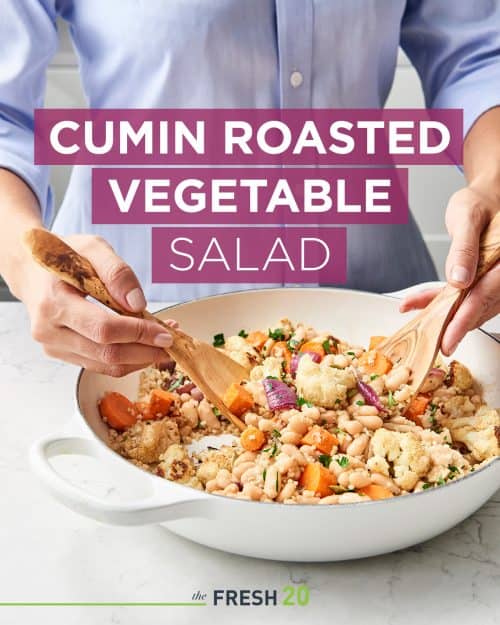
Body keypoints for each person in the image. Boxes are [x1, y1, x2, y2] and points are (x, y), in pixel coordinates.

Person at [0, 0, 498, 376]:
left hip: (383, 311)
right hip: (122, 328)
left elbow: (475, 58)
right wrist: (27, 265)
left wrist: (494, 185)